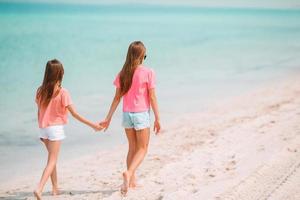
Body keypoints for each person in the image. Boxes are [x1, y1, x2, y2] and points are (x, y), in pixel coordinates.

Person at [33, 59, 102, 200]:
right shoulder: (63, 92)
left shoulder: (40, 91)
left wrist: (40, 128)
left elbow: (39, 111)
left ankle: (55, 188)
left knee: (52, 159)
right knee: (52, 160)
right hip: (55, 130)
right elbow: (75, 114)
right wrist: (93, 125)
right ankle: (39, 188)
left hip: (43, 129)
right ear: (60, 73)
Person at [100, 41, 161, 195]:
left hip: (127, 114)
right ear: (141, 56)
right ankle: (129, 173)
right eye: (144, 56)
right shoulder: (148, 72)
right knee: (143, 148)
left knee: (132, 147)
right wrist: (158, 118)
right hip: (141, 115)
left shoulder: (122, 74)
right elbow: (152, 97)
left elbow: (116, 98)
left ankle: (131, 182)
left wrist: (108, 118)